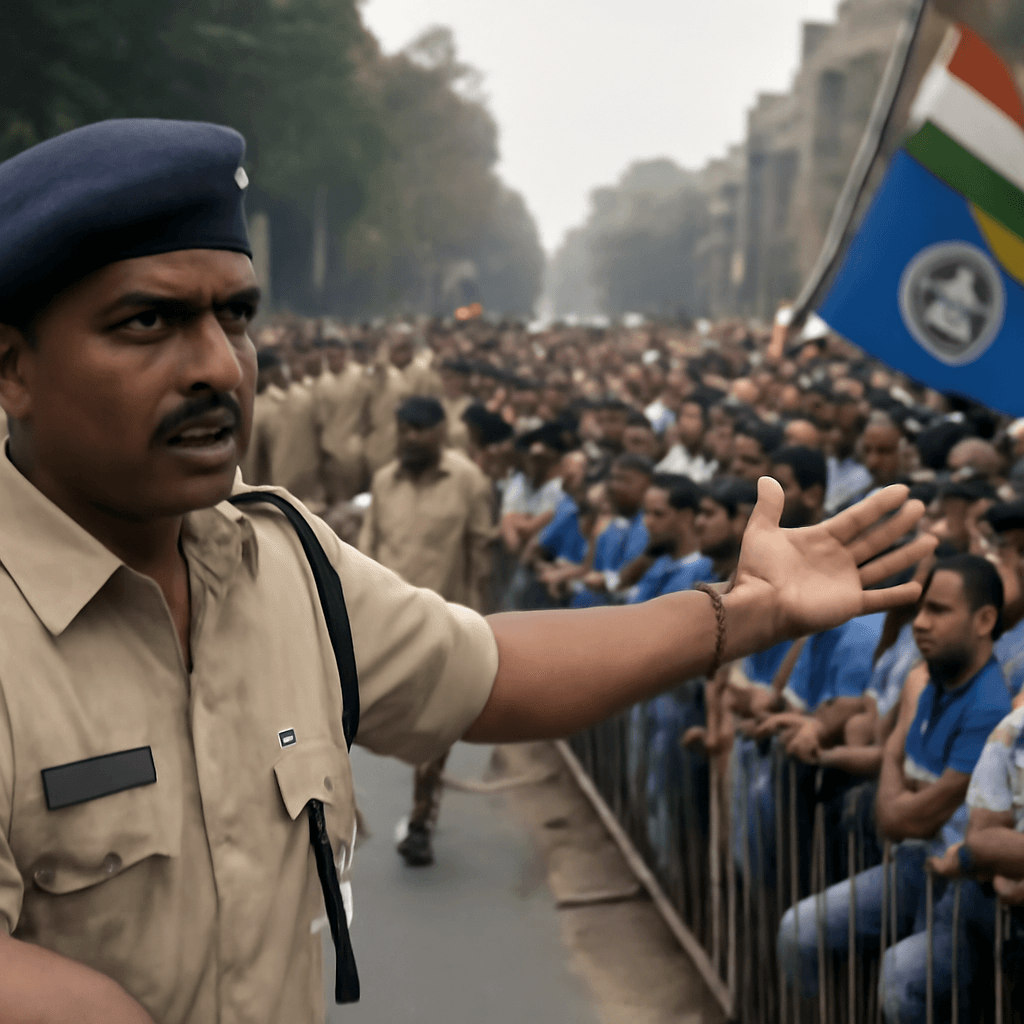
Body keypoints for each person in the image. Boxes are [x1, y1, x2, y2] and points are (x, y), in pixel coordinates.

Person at [0, 119, 934, 1024]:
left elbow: (488, 670)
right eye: (147, 321)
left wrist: (744, 613)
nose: (216, 365)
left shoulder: (280, 561)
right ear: (13, 369)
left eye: (235, 316)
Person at [778, 554, 1011, 1024]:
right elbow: (898, 785)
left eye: (939, 611)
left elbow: (903, 818)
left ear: (984, 620)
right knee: (798, 930)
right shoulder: (934, 682)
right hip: (911, 866)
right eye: (921, 608)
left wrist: (889, 759)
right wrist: (889, 764)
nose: (920, 623)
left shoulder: (990, 708)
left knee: (900, 976)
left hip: (956, 890)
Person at [358, 396, 493, 867]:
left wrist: (479, 620)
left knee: (438, 725)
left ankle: (420, 819)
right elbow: (368, 547)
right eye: (404, 430)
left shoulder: (467, 481)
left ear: (441, 432)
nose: (411, 438)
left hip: (444, 624)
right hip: (385, 623)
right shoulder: (383, 480)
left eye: (420, 430)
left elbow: (481, 549)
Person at [627, 475, 714, 604]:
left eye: (658, 514)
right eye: (646, 513)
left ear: (686, 516)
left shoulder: (705, 573)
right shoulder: (660, 562)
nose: (648, 522)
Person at [313, 336, 370, 505]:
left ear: (345, 355)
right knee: (339, 501)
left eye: (334, 356)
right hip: (331, 452)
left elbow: (369, 410)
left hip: (356, 448)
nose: (331, 361)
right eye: (328, 357)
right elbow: (320, 423)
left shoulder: (360, 376)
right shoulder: (322, 383)